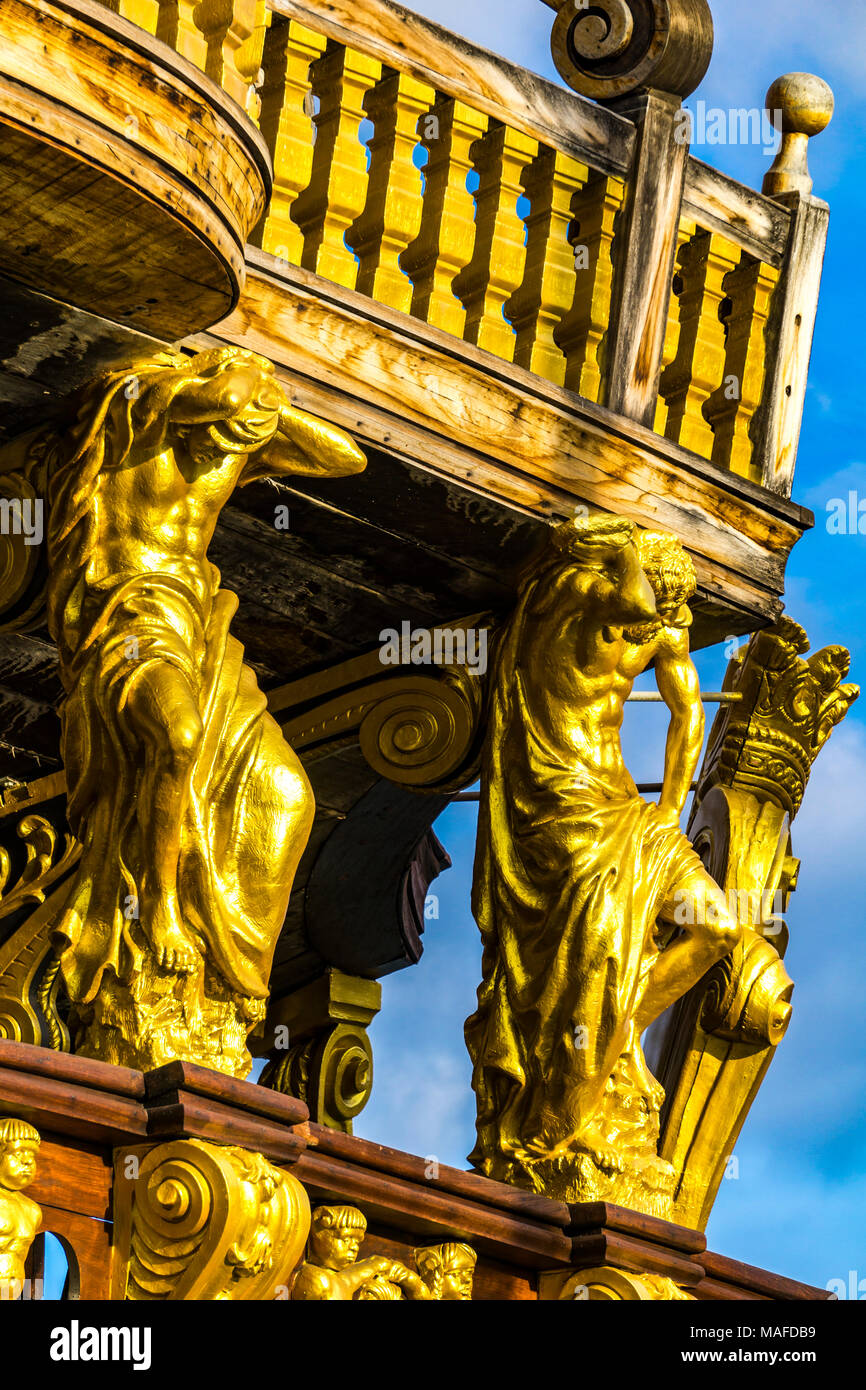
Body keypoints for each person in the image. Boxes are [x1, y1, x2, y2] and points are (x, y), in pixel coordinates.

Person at [465, 514, 742, 1192]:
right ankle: (558, 1122)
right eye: (662, 601)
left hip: (626, 810)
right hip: (560, 804)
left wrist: (670, 813)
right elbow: (635, 602)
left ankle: (609, 1042)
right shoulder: (574, 594)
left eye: (676, 612)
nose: (662, 626)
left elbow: (689, 713)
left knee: (718, 926)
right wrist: (631, 540)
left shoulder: (660, 621)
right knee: (590, 960)